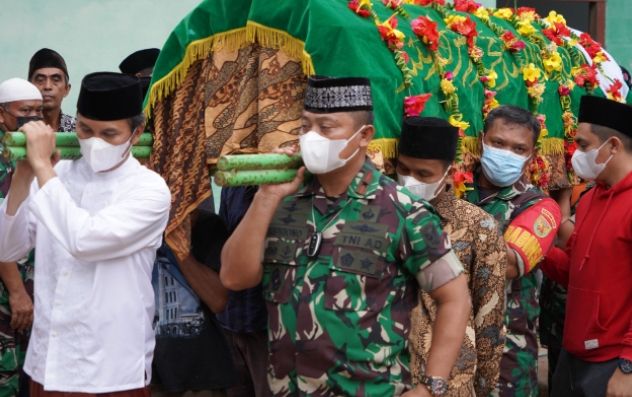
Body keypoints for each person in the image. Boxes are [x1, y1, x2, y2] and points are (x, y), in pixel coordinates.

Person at [220, 76, 471, 397]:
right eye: (305, 127)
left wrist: (431, 386)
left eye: (326, 128)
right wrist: (266, 197)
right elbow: (233, 277)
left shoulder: (403, 211)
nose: (312, 138)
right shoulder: (281, 201)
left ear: (364, 135)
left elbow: (454, 297)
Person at [0, 72, 171, 395]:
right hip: (47, 362)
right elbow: (8, 249)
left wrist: (42, 169)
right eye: (85, 129)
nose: (95, 142)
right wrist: (24, 176)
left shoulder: (149, 190)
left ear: (136, 133)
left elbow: (84, 240)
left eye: (109, 133)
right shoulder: (57, 174)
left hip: (110, 370)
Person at [396, 117, 507, 397]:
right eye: (403, 170)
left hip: (450, 382)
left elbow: (489, 317)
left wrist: (485, 387)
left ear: (449, 173)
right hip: (390, 377)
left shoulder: (477, 226)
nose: (410, 181)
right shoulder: (382, 216)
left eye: (423, 174)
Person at [462, 105, 561, 397]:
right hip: (443, 349)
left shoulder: (539, 207)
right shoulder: (452, 189)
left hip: (505, 354)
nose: (506, 153)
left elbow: (508, 264)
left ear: (531, 154)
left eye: (519, 149)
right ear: (482, 140)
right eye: (498, 143)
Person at [541, 95, 632, 397]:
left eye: (583, 145)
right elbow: (577, 270)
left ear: (614, 146)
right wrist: (537, 252)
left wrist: (628, 367)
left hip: (613, 363)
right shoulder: (591, 197)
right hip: (574, 353)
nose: (575, 155)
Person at [152, 205, 236, 397]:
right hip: (142, 374)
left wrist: (180, 248)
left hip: (200, 376)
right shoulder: (128, 225)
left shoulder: (208, 226)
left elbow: (218, 300)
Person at [0, 78, 41, 397]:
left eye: (38, 111)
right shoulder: (4, 158)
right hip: (8, 291)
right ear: (2, 114)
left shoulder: (36, 150)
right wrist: (16, 291)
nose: (33, 118)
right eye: (24, 111)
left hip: (35, 284)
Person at [217, 187, 271, 397]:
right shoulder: (233, 186)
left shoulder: (294, 185)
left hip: (269, 327)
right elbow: (223, 244)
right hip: (230, 322)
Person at [28, 48, 75, 132]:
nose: (47, 86)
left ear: (66, 89)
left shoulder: (78, 130)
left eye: (56, 79)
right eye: (40, 80)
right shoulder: (18, 129)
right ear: (28, 87)